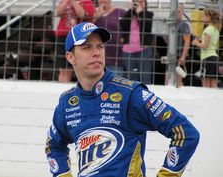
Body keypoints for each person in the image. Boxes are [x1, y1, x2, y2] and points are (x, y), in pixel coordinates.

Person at [45, 22, 200, 177]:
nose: (96, 52)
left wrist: (167, 174)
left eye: (100, 46)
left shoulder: (130, 94)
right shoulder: (67, 103)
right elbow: (53, 146)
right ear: (70, 57)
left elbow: (186, 134)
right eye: (87, 47)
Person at [54, 0, 94, 82]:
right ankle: (62, 87)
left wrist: (74, 2)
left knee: (72, 67)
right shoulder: (64, 1)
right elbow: (58, 12)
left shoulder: (87, 2)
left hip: (77, 37)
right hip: (63, 36)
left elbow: (82, 15)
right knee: (62, 67)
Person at [119, 0, 154, 84]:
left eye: (141, 2)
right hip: (128, 50)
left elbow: (148, 28)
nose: (139, 4)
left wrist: (141, 13)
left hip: (144, 50)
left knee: (145, 76)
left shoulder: (149, 14)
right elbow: (122, 25)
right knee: (130, 77)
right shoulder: (129, 14)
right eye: (137, 2)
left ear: (146, 4)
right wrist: (131, 10)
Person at [93, 0, 126, 76]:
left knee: (114, 85)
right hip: (96, 59)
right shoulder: (93, 12)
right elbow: (85, 30)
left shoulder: (121, 12)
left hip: (115, 60)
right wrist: (96, 17)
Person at [192, 8, 221, 88]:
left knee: (206, 82)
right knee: (213, 82)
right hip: (214, 57)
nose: (202, 18)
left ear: (209, 17)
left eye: (204, 16)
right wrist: (201, 39)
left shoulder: (207, 30)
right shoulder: (216, 29)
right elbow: (211, 43)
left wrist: (196, 43)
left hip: (207, 57)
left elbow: (205, 46)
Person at [164, 4, 191, 87]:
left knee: (177, 80)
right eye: (175, 12)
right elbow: (167, 41)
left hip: (179, 54)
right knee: (169, 79)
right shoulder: (171, 25)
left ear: (182, 12)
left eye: (179, 11)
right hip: (171, 54)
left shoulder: (184, 25)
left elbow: (187, 41)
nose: (177, 13)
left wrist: (183, 57)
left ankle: (183, 98)